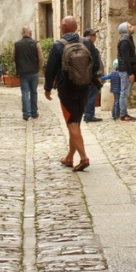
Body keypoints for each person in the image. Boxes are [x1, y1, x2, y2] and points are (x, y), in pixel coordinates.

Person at [44, 15, 91, 172]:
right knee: (76, 122)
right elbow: (96, 62)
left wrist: (47, 87)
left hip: (67, 89)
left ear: (63, 27)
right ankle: (69, 157)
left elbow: (50, 68)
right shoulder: (86, 42)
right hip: (84, 88)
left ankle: (83, 158)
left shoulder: (58, 45)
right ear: (76, 27)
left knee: (71, 123)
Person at [12, 26, 44, 120]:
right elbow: (41, 58)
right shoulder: (36, 44)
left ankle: (26, 114)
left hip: (23, 72)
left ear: (22, 34)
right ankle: (34, 112)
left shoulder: (16, 44)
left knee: (25, 92)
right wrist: (39, 68)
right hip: (34, 71)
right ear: (30, 34)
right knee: (34, 92)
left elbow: (12, 57)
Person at [116, 21, 136, 121]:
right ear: (126, 30)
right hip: (125, 71)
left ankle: (123, 113)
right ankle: (123, 114)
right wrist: (130, 73)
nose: (132, 27)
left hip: (126, 70)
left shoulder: (127, 39)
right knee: (124, 93)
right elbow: (126, 59)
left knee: (125, 92)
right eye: (130, 27)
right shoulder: (125, 42)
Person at [82, 28, 104, 122]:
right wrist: (98, 75)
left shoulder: (85, 45)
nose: (95, 37)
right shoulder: (88, 44)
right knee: (91, 95)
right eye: (93, 35)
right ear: (88, 36)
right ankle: (89, 115)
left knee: (89, 94)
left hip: (87, 74)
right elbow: (94, 61)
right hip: (91, 75)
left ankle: (87, 114)